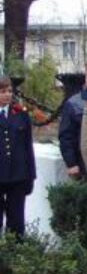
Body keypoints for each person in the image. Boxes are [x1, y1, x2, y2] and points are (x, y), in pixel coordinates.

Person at [0, 77, 35, 236]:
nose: (7, 95)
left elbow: (28, 147)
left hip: (17, 176)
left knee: (16, 222)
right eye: (2, 91)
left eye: (9, 91)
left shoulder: (20, 114)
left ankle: (16, 255)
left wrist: (30, 176)